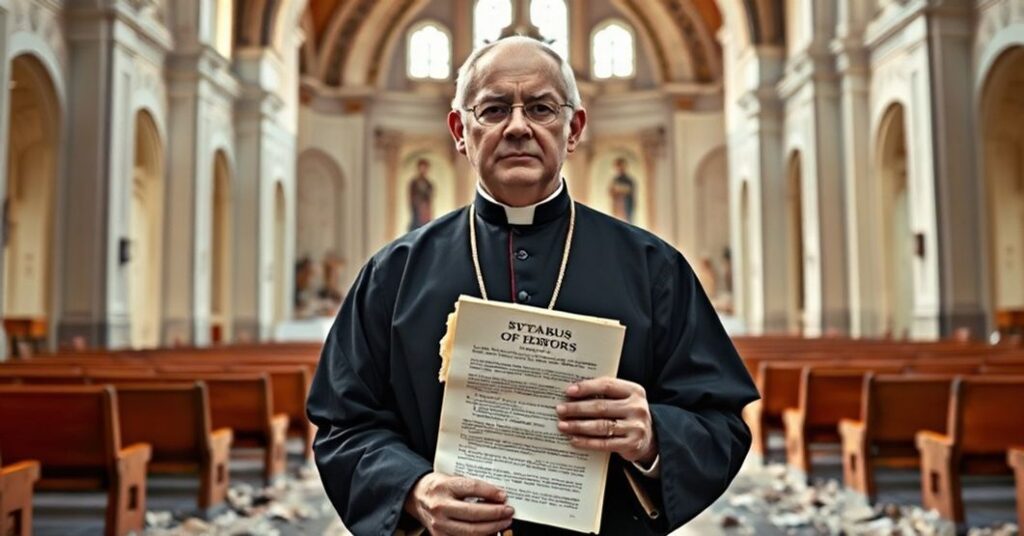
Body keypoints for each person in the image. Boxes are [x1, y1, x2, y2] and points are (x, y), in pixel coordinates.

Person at [307, 36, 758, 536]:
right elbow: (343, 426)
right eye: (494, 109)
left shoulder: (653, 268)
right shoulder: (394, 273)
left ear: (573, 128)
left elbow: (722, 424)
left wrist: (653, 437)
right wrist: (412, 490)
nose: (518, 127)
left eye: (541, 108)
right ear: (460, 130)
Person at [409, 158, 435, 231]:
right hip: (417, 209)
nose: (423, 170)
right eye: (422, 168)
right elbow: (412, 197)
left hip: (426, 210)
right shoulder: (414, 183)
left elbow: (430, 196)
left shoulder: (428, 183)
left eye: (425, 168)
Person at [608, 157, 636, 223]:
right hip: (617, 207)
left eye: (621, 166)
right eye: (618, 166)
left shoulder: (629, 180)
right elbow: (611, 191)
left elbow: (630, 192)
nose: (620, 168)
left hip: (626, 206)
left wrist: (622, 191)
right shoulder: (615, 180)